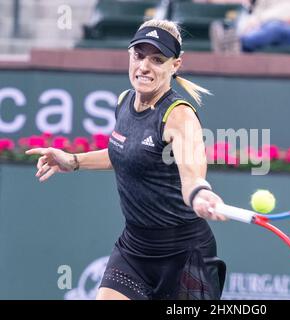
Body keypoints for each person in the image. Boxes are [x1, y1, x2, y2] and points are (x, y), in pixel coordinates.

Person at [25, 19, 228, 300]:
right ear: (130, 56)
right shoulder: (124, 101)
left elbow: (192, 175)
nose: (144, 66)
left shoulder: (179, 116)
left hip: (184, 255)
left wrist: (199, 195)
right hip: (134, 248)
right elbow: (126, 153)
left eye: (157, 59)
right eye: (139, 55)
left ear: (175, 65)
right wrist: (72, 160)